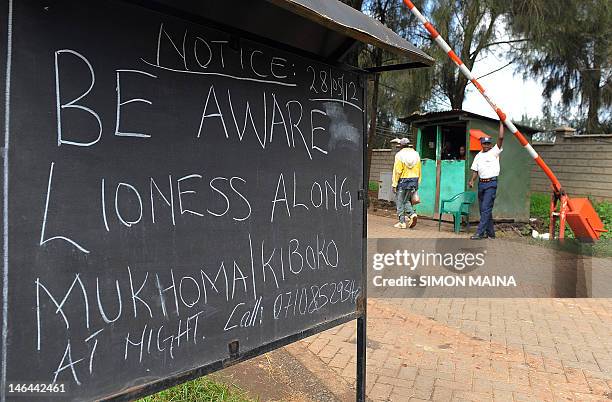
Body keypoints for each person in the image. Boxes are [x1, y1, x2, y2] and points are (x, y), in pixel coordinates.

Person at [468, 123, 504, 239]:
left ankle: (479, 233)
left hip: (491, 184)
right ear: (481, 144)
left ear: (491, 144)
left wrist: (501, 124)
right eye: (485, 143)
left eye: (488, 143)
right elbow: (475, 171)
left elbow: (501, 138)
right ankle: (491, 234)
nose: (487, 145)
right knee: (484, 209)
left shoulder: (494, 152)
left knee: (485, 208)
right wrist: (472, 180)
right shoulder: (478, 156)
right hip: (481, 184)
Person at [392, 138, 421, 229]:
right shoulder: (416, 154)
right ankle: (411, 216)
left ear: (401, 145)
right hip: (414, 180)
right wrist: (418, 182)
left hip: (403, 181)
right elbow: (419, 169)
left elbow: (398, 171)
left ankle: (403, 221)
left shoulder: (399, 155)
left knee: (400, 201)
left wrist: (394, 183)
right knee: (406, 200)